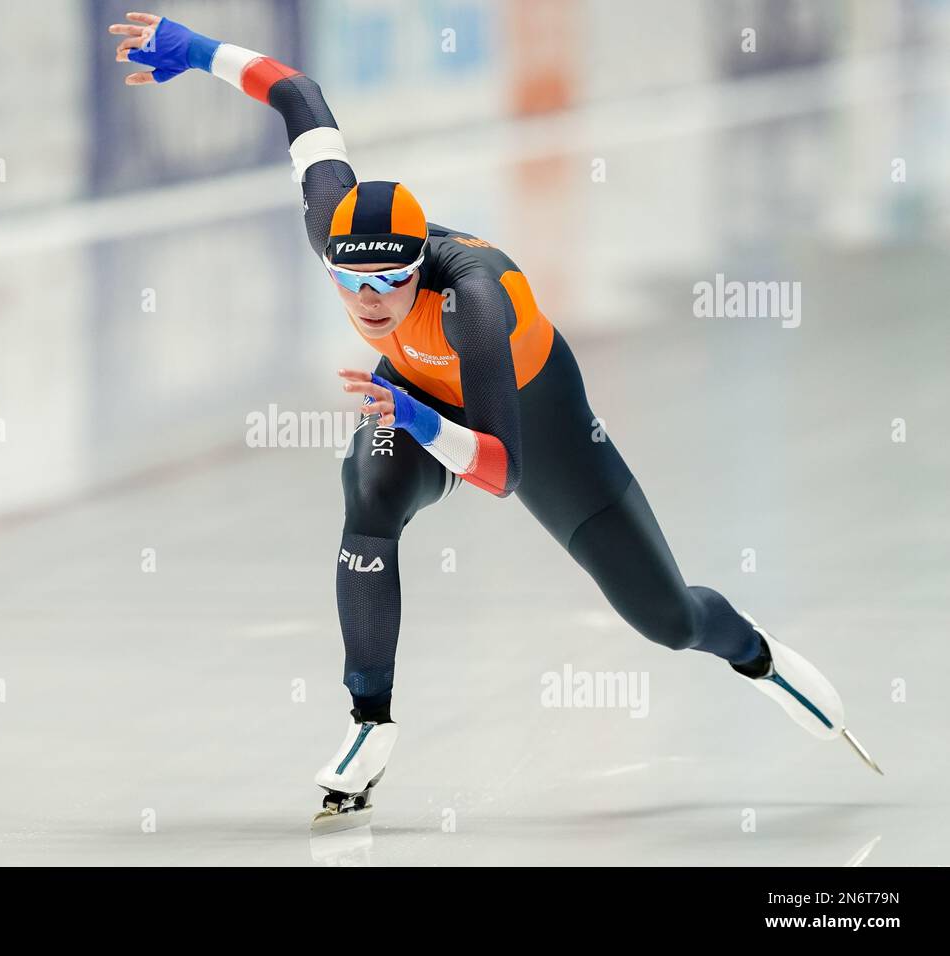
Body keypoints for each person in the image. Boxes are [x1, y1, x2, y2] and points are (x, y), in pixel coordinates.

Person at [108, 11, 881, 827]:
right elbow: (297, 95)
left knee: (665, 618)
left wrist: (417, 413)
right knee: (369, 491)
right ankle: (369, 720)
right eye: (349, 283)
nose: (369, 304)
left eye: (391, 284)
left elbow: (502, 471)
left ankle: (754, 652)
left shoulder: (476, 299)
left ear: (421, 267)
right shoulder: (329, 220)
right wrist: (193, 51)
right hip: (413, 396)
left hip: (530, 416)